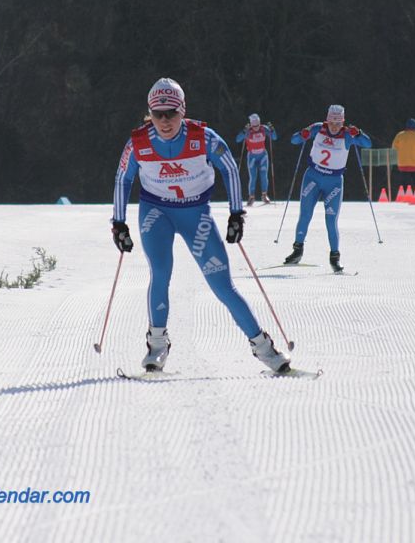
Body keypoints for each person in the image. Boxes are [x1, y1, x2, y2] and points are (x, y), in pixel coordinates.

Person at [111, 77, 290, 373]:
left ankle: (264, 348)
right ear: (150, 114)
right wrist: (118, 223)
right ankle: (157, 345)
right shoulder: (139, 142)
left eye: (172, 113)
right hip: (156, 214)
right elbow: (123, 179)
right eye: (158, 114)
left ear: (183, 110)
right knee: (160, 273)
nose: (165, 121)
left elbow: (230, 167)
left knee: (222, 286)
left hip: (196, 215)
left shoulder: (202, 137)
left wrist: (236, 214)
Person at [284, 104, 372, 273]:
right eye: (332, 122)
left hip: (334, 182)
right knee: (305, 214)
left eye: (338, 123)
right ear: (327, 119)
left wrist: (359, 133)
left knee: (331, 221)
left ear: (343, 122)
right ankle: (297, 251)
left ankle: (334, 258)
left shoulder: (347, 134)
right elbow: (294, 140)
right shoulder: (318, 128)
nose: (334, 126)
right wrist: (302, 134)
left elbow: (367, 144)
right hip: (313, 177)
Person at [235, 113, 277, 206]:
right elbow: (238, 139)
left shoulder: (264, 129)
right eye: (254, 126)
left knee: (264, 175)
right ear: (251, 125)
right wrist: (243, 132)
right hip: (252, 156)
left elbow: (274, 137)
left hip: (263, 156)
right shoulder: (248, 131)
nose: (256, 128)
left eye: (257, 125)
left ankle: (264, 195)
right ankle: (251, 197)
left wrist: (272, 130)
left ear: (260, 123)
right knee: (253, 177)